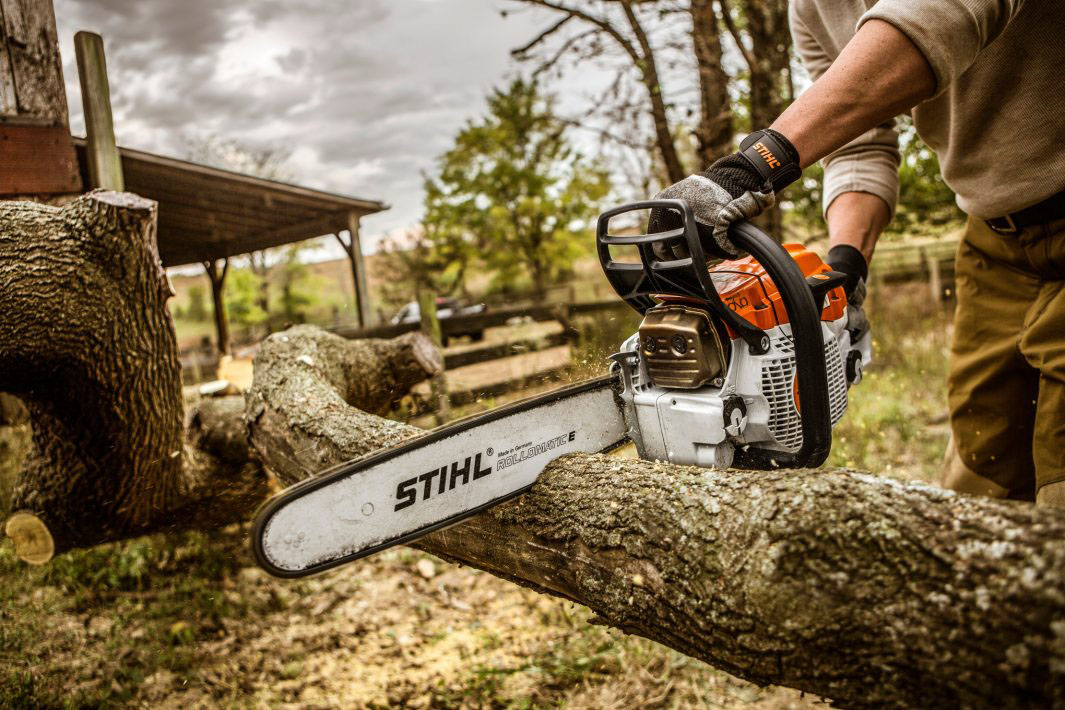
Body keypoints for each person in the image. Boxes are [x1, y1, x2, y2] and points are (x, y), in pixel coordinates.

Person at [650, 0, 1065, 503]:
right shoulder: (812, 9)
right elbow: (857, 142)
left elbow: (941, 16)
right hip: (995, 240)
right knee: (980, 477)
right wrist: (847, 261)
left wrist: (755, 165)